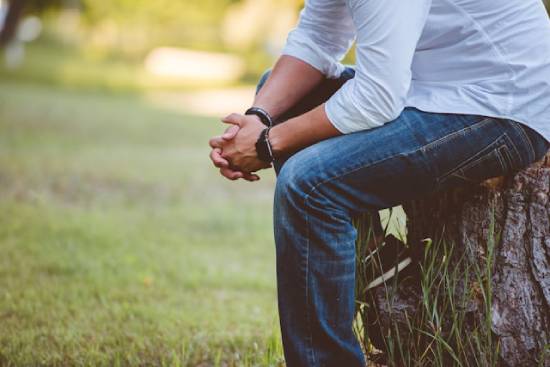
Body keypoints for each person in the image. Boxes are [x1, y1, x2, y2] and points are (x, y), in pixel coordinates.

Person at [208, 0, 550, 365]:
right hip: (432, 88)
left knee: (308, 184)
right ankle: (374, 263)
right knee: (280, 101)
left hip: (504, 105)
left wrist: (266, 143)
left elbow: (377, 97)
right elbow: (317, 37)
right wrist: (257, 120)